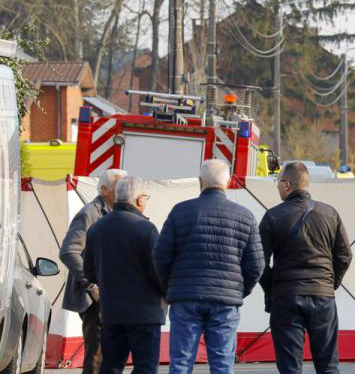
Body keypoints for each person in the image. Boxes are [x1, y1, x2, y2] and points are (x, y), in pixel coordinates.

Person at [153, 159, 264, 374]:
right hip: (225, 301)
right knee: (222, 364)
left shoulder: (180, 212)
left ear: (199, 181)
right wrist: (238, 290)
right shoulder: (245, 216)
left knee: (181, 363)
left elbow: (160, 257)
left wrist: (171, 289)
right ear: (229, 182)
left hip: (185, 299)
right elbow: (256, 265)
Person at [259, 162, 352, 374]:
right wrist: (329, 283)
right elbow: (345, 255)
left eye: (278, 181)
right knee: (328, 365)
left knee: (290, 367)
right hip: (323, 298)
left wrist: (274, 288)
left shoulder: (273, 216)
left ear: (287, 185)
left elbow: (259, 262)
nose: (277, 186)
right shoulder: (330, 214)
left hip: (287, 298)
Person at [83, 176, 165, 374]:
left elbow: (89, 271)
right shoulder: (147, 229)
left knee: (110, 366)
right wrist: (166, 293)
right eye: (145, 197)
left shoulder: (97, 229)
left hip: (111, 312)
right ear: (138, 200)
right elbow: (158, 271)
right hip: (145, 314)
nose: (145, 201)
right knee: (145, 367)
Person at [59, 168, 126, 374]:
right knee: (96, 358)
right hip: (96, 299)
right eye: (119, 188)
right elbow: (69, 251)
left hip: (114, 296)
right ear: (105, 190)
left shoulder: (117, 212)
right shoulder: (90, 213)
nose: (125, 192)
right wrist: (91, 285)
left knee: (112, 354)